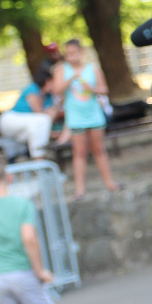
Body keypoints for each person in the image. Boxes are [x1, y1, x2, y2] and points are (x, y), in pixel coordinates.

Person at [0, 153, 87, 304]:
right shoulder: (20, 205)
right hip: (21, 271)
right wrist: (39, 270)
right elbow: (29, 238)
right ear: (9, 177)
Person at [50, 39, 121, 199]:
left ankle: (109, 183)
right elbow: (56, 91)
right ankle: (79, 189)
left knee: (99, 150)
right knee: (79, 152)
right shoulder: (61, 70)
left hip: (94, 115)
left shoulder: (92, 68)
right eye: (68, 54)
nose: (71, 57)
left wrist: (92, 88)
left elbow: (104, 89)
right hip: (75, 117)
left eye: (74, 53)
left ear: (81, 52)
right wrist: (70, 79)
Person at [1, 67, 58, 159]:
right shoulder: (33, 88)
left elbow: (50, 120)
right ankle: (39, 157)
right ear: (48, 81)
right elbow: (39, 112)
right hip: (11, 120)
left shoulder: (48, 97)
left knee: (34, 130)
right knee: (43, 119)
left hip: (25, 127)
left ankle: (38, 159)